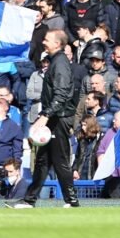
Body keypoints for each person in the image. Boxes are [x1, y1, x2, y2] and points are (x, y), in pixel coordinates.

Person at [13, 29, 79, 208]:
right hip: (54, 117)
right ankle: (29, 199)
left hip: (59, 118)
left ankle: (72, 201)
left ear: (58, 44)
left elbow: (62, 93)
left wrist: (46, 115)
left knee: (60, 161)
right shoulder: (55, 62)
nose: (43, 42)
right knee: (42, 160)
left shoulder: (60, 63)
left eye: (47, 39)